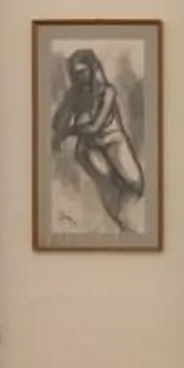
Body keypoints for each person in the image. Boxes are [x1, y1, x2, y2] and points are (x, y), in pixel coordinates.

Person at [51, 46, 146, 231]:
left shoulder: (107, 92)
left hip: (113, 140)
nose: (80, 77)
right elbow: (58, 123)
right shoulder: (74, 95)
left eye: (83, 71)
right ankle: (122, 222)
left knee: (135, 183)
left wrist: (71, 129)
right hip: (89, 146)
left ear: (93, 68)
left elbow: (95, 126)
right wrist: (67, 124)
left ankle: (127, 222)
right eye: (76, 73)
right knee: (105, 181)